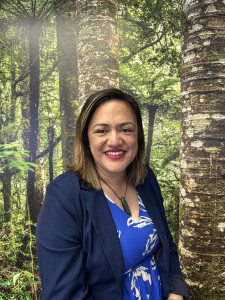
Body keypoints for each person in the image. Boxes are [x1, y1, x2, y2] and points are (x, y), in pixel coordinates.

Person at [36, 88, 189, 300]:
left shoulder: (145, 178)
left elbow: (167, 245)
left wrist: (176, 292)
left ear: (138, 136)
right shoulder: (64, 197)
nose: (115, 140)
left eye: (126, 129)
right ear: (85, 138)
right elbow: (63, 295)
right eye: (101, 131)